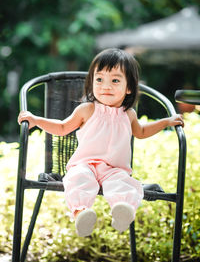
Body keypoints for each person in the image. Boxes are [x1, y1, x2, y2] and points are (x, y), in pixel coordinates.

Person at [18, 48, 184, 237]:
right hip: (85, 164)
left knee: (124, 184)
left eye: (115, 80)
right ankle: (82, 213)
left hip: (114, 169)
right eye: (99, 79)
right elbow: (63, 128)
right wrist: (36, 120)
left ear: (129, 87)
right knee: (78, 178)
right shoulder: (87, 109)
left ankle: (123, 210)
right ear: (91, 83)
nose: (106, 86)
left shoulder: (129, 114)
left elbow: (142, 132)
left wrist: (166, 122)